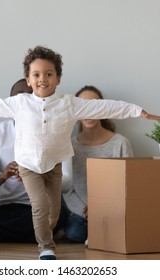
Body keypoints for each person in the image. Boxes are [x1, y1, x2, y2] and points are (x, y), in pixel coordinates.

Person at [0, 45, 160, 260]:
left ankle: (46, 233)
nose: (43, 79)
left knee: (54, 212)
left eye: (49, 74)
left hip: (54, 166)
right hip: (28, 166)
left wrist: (137, 111)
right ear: (29, 79)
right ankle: (46, 247)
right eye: (37, 74)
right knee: (40, 205)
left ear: (58, 78)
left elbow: (105, 106)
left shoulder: (69, 104)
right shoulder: (19, 103)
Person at [0, 78, 70, 243]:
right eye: (19, 97)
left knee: (58, 215)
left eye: (30, 96)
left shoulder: (56, 131)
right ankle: (36, 235)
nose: (25, 102)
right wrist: (3, 176)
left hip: (36, 207)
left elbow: (68, 183)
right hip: (3, 206)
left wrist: (37, 176)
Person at [62, 85, 134, 243]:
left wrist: (104, 208)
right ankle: (104, 234)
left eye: (94, 105)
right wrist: (87, 210)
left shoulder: (120, 143)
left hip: (114, 209)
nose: (89, 112)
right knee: (74, 232)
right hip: (83, 213)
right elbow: (68, 190)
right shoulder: (69, 146)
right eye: (82, 106)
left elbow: (129, 184)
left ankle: (104, 233)